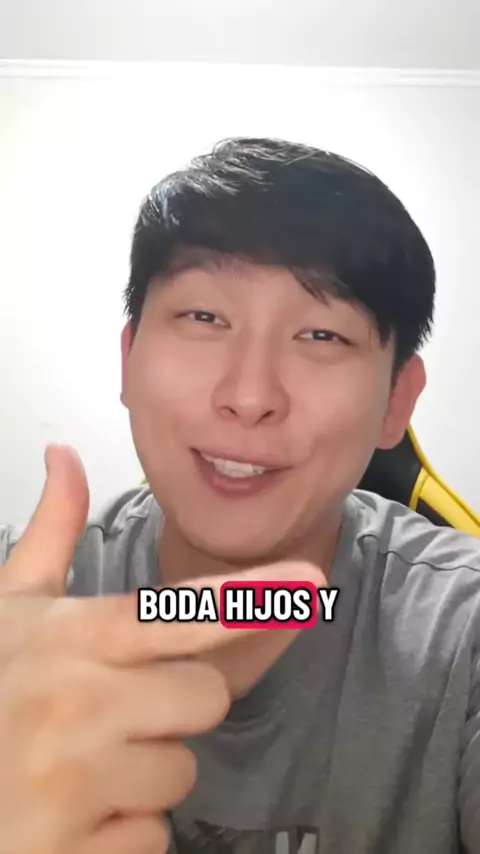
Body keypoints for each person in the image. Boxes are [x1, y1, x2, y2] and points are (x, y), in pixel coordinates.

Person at [0, 136, 479, 854]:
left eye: (322, 334)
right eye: (204, 318)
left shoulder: (461, 632)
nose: (250, 396)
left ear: (396, 403)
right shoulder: (14, 612)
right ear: (127, 359)